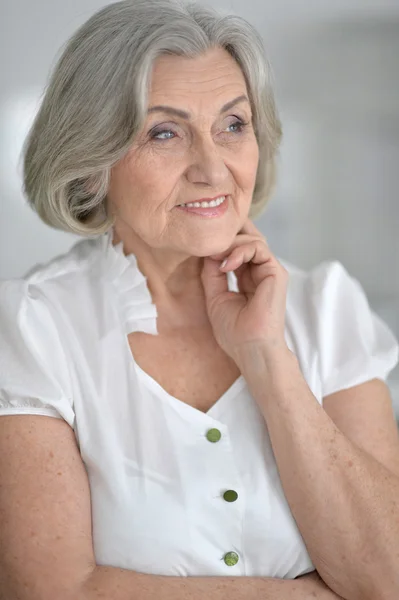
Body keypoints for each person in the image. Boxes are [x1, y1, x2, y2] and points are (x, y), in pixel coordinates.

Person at [0, 0, 398, 598]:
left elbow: (388, 574)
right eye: (165, 132)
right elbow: (52, 590)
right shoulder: (33, 327)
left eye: (233, 125)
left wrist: (268, 359)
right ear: (91, 165)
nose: (213, 168)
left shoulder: (328, 308)